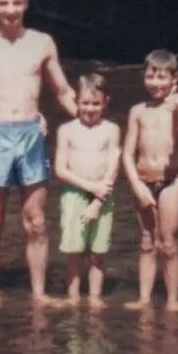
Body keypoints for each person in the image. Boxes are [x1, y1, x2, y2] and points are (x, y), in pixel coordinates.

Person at [0, 0, 78, 306]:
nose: (11, 10)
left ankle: (39, 294)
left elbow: (61, 89)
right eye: (4, 3)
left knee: (36, 223)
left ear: (26, 4)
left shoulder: (42, 43)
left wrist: (88, 121)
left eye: (17, 3)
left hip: (31, 136)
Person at [122, 50, 178, 311]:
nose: (156, 83)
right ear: (144, 77)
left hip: (171, 181)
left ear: (174, 79)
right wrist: (136, 185)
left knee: (168, 243)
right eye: (151, 76)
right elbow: (127, 153)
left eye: (162, 77)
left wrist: (174, 112)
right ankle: (143, 299)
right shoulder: (137, 111)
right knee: (147, 241)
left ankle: (173, 301)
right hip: (143, 181)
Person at [52, 73, 120, 308]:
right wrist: (91, 186)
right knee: (74, 252)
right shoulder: (66, 130)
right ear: (76, 101)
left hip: (103, 197)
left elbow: (113, 168)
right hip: (74, 194)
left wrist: (98, 201)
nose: (90, 109)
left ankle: (94, 297)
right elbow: (60, 170)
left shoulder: (111, 130)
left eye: (95, 103)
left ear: (105, 102)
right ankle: (72, 298)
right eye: (85, 103)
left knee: (98, 253)